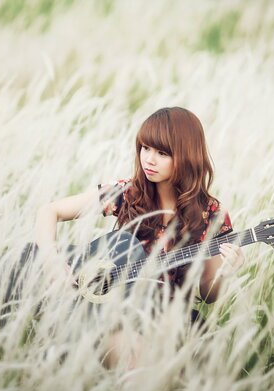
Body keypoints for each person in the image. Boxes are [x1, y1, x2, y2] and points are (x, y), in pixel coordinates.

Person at [33, 106, 245, 368]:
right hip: (114, 310)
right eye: (145, 148)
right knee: (129, 351)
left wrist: (225, 272)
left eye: (162, 153)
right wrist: (50, 259)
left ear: (186, 155)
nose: (149, 160)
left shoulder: (210, 214)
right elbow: (49, 211)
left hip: (169, 317)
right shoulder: (129, 193)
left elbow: (208, 294)